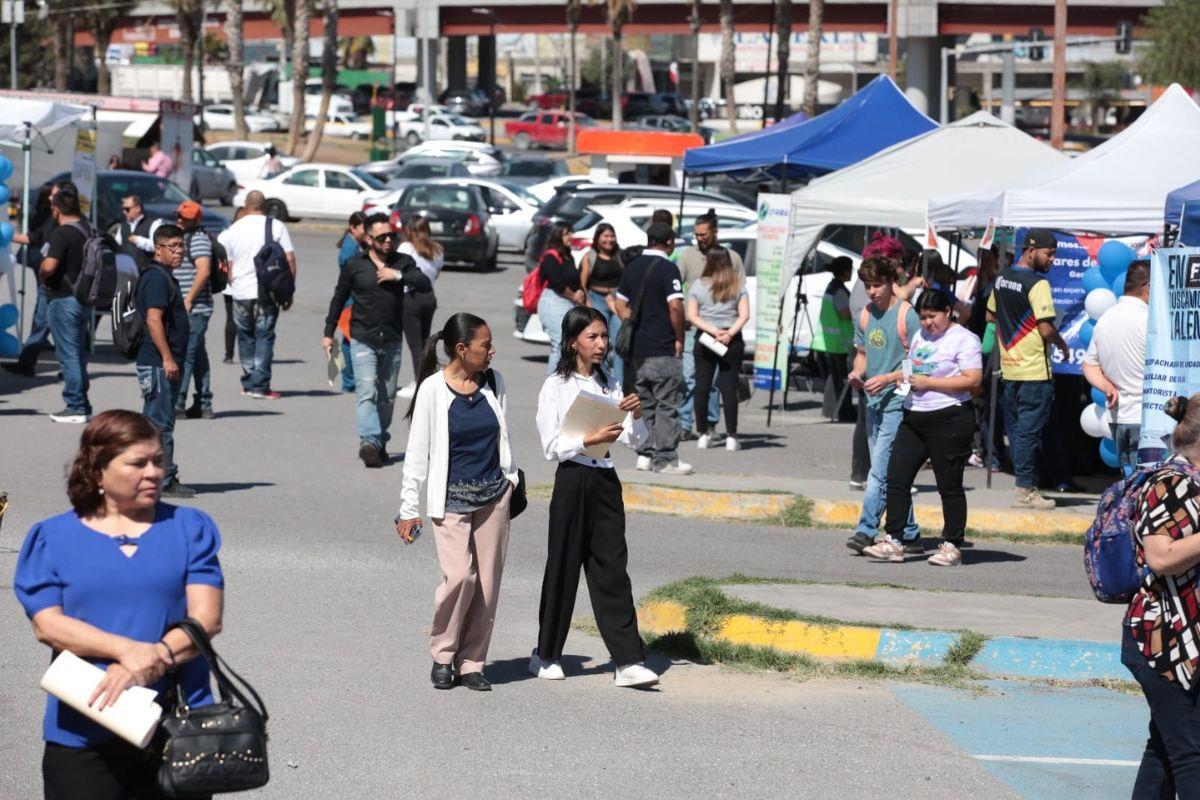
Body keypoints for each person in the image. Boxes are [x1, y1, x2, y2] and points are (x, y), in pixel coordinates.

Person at [12, 410, 224, 799]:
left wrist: (150, 660)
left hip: (177, 726)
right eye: (138, 463)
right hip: (83, 725)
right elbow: (48, 625)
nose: (154, 472)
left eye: (159, 461)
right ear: (97, 472)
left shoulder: (190, 528)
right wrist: (130, 654)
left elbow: (206, 620)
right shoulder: (52, 538)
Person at [531, 306, 659, 688]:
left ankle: (628, 660)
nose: (602, 344)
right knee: (563, 568)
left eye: (604, 336)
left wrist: (635, 416)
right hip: (572, 480)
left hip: (604, 480)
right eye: (593, 337)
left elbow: (637, 442)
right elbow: (551, 446)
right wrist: (589, 439)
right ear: (573, 343)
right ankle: (546, 653)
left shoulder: (611, 383)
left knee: (612, 570)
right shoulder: (555, 386)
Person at [397, 313, 518, 691]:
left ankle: (471, 662)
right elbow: (417, 453)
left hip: (493, 496)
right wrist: (407, 508)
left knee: (487, 585)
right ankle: (443, 654)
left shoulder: (494, 382)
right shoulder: (433, 390)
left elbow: (502, 436)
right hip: (449, 500)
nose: (492, 351)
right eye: (486, 346)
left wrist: (510, 479)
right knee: (460, 577)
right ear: (462, 350)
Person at [863, 289, 982, 566]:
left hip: (949, 418)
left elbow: (973, 380)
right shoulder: (920, 336)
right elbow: (914, 367)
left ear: (948, 312)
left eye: (933, 316)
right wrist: (889, 378)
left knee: (948, 484)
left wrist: (931, 384)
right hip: (914, 415)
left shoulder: (964, 339)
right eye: (924, 317)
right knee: (897, 477)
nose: (928, 323)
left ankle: (952, 544)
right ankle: (894, 539)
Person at [1123, 395, 1200, 798]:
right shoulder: (1170, 482)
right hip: (1163, 638)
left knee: (1166, 749)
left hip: (1187, 638)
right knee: (1192, 753)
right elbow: (1160, 556)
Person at [323, 214, 429, 468]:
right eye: (382, 237)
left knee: (387, 396)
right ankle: (369, 442)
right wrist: (328, 332)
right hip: (362, 338)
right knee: (367, 390)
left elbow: (424, 283)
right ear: (369, 238)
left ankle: (379, 439)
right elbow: (339, 298)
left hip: (392, 339)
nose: (388, 241)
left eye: (392, 235)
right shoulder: (354, 265)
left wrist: (399, 277)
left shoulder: (403, 262)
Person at [845, 255, 922, 555]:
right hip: (872, 400)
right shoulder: (864, 314)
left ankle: (865, 529)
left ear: (892, 282)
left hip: (898, 402)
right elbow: (862, 353)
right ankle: (911, 532)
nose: (873, 291)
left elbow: (920, 363)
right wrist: (857, 372)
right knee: (890, 471)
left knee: (878, 469)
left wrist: (889, 378)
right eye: (868, 286)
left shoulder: (907, 315)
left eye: (877, 285)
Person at [987, 228, 1068, 509]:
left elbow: (990, 314)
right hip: (1034, 370)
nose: (1052, 260)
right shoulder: (1038, 284)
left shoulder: (1002, 278)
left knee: (1021, 431)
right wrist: (1063, 344)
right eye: (1049, 253)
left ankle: (1025, 486)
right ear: (1031, 250)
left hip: (1011, 369)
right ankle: (1025, 490)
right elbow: (1046, 328)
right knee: (1028, 432)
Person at [615, 221, 693, 475]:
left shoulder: (633, 266)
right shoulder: (669, 268)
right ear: (669, 241)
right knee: (667, 404)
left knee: (645, 403)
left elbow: (619, 303)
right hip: (662, 347)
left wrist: (633, 323)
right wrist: (678, 337)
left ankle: (644, 454)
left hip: (637, 350)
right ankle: (667, 458)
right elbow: (675, 307)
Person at [217, 190, 296, 400]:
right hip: (267, 292)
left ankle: (249, 382)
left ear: (246, 205)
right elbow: (289, 260)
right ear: (265, 206)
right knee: (264, 336)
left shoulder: (233, 229)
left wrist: (234, 284)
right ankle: (261, 386)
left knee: (245, 336)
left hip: (240, 291)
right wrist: (289, 291)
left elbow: (228, 266)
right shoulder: (276, 226)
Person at [135, 224, 195, 498]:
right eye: (174, 246)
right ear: (158, 249)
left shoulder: (164, 276)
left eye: (181, 245)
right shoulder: (157, 279)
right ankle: (162, 481)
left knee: (158, 424)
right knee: (159, 426)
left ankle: (149, 478)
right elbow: (153, 319)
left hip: (164, 363)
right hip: (159, 364)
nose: (180, 251)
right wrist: (168, 358)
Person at [675, 211, 745, 438]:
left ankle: (710, 424)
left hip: (725, 331)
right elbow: (678, 289)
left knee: (715, 382)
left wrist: (730, 328)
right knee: (691, 377)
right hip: (694, 327)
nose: (700, 238)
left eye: (704, 234)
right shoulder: (687, 256)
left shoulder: (731, 257)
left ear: (715, 232)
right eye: (697, 235)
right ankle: (687, 424)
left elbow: (739, 289)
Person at [1083, 260, 1157, 474]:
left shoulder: (1105, 319)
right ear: (1149, 287)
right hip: (1147, 419)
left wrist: (1106, 386)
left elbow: (1089, 365)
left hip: (1118, 418)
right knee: (1148, 491)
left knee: (1130, 484)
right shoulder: (1150, 320)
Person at [685, 246, 749, 451]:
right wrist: (729, 333)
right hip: (732, 339)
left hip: (706, 338)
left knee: (702, 387)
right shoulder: (738, 285)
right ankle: (732, 436)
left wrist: (712, 331)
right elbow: (744, 315)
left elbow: (692, 316)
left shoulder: (698, 285)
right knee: (729, 387)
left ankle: (703, 433)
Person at [40, 187, 93, 423]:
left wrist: (42, 270)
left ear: (57, 208)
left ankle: (76, 406)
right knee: (78, 354)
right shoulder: (87, 229)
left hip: (63, 298)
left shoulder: (62, 234)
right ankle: (83, 403)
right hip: (84, 299)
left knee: (68, 355)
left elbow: (50, 266)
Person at [3, 182, 65, 377]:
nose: (49, 199)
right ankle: (27, 362)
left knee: (62, 327)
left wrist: (46, 272)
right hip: (47, 282)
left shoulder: (70, 225)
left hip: (61, 284)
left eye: (53, 195)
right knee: (42, 322)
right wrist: (7, 237)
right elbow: (33, 238)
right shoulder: (49, 219)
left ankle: (69, 369)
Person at [173, 201, 215, 420]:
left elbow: (204, 271)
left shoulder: (197, 239)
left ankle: (178, 404)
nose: (179, 219)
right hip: (190, 307)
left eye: (185, 217)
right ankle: (204, 403)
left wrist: (188, 299)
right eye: (179, 215)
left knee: (185, 355)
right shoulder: (185, 237)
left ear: (196, 220)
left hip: (195, 308)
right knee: (198, 355)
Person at [397, 215, 443, 392]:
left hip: (411, 296)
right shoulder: (437, 249)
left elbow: (399, 271)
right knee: (425, 342)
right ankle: (426, 379)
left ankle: (419, 384)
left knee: (415, 345)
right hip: (430, 296)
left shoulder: (406, 247)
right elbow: (436, 274)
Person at [579, 222, 625, 385]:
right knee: (601, 342)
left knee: (619, 342)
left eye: (612, 236)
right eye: (605, 236)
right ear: (597, 238)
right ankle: (602, 379)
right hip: (597, 299)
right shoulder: (590, 256)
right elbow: (582, 284)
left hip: (617, 301)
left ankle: (618, 382)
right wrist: (588, 303)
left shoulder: (621, 256)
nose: (609, 239)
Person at [812, 256, 855, 422]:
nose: (852, 273)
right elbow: (845, 312)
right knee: (842, 380)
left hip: (826, 341)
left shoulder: (831, 287)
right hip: (838, 343)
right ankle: (844, 412)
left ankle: (831, 410)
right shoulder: (839, 291)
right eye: (850, 269)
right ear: (844, 272)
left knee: (834, 378)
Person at [536, 222, 582, 374]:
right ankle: (553, 383)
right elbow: (557, 283)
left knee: (567, 344)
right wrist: (573, 295)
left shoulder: (568, 256)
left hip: (567, 303)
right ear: (558, 236)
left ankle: (562, 379)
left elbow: (575, 280)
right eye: (567, 233)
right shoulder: (551, 256)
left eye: (571, 233)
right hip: (553, 302)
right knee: (560, 344)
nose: (571, 236)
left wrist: (579, 293)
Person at [335, 212, 367, 393]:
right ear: (353, 227)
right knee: (348, 341)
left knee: (348, 340)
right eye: (363, 227)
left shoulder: (356, 245)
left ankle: (350, 379)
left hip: (351, 299)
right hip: (350, 301)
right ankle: (349, 381)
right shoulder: (349, 249)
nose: (366, 231)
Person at [112, 195, 161, 270]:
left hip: (146, 272)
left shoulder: (153, 224)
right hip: (127, 273)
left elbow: (158, 246)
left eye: (127, 209)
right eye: (123, 209)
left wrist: (139, 241)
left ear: (138, 208)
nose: (124, 212)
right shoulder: (122, 226)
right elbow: (116, 246)